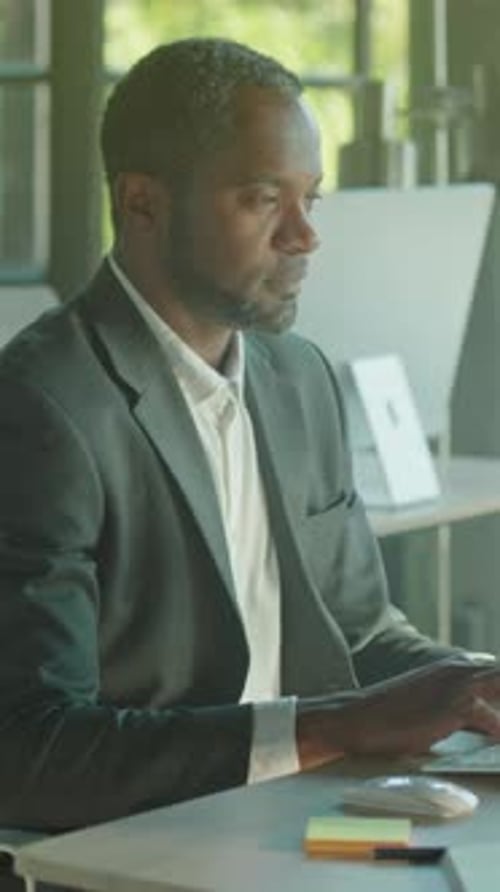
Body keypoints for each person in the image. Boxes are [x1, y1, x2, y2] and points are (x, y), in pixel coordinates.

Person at [0, 37, 499, 836]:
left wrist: (473, 685)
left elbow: (360, 637)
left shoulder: (299, 379)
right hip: (134, 854)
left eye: (312, 200)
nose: (304, 235)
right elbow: (29, 752)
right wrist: (334, 727)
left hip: (296, 824)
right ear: (142, 203)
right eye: (264, 200)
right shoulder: (41, 408)